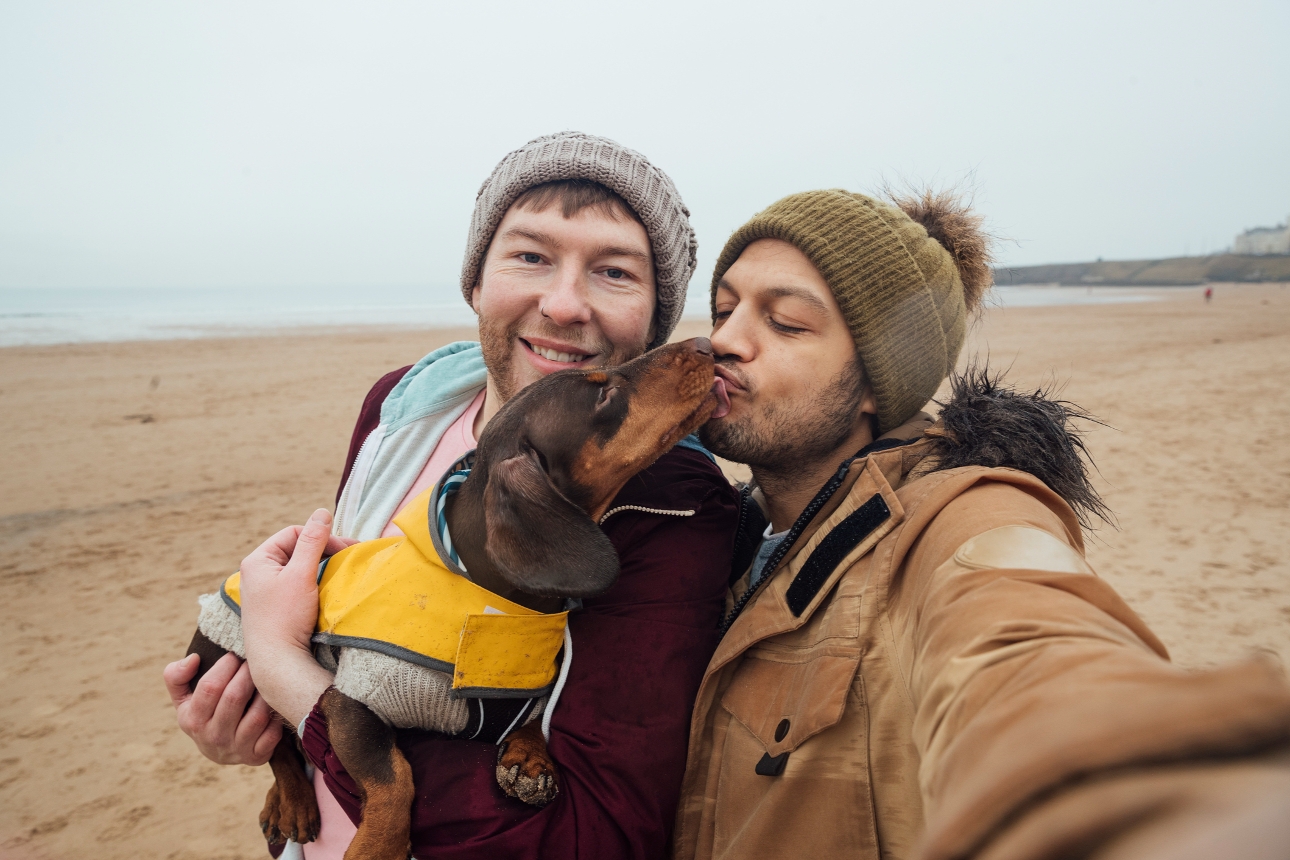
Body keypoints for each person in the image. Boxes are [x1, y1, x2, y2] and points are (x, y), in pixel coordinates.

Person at [163, 131, 739, 859]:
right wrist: (250, 729)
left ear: (655, 315)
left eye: (615, 272)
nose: (563, 304)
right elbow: (352, 637)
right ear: (475, 280)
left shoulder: (675, 507)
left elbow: (592, 838)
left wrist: (280, 666)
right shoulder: (404, 406)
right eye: (530, 255)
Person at [673, 189, 1290, 859]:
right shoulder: (712, 536)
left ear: (883, 380)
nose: (723, 341)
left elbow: (1028, 654)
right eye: (726, 308)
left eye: (786, 322)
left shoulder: (958, 522)